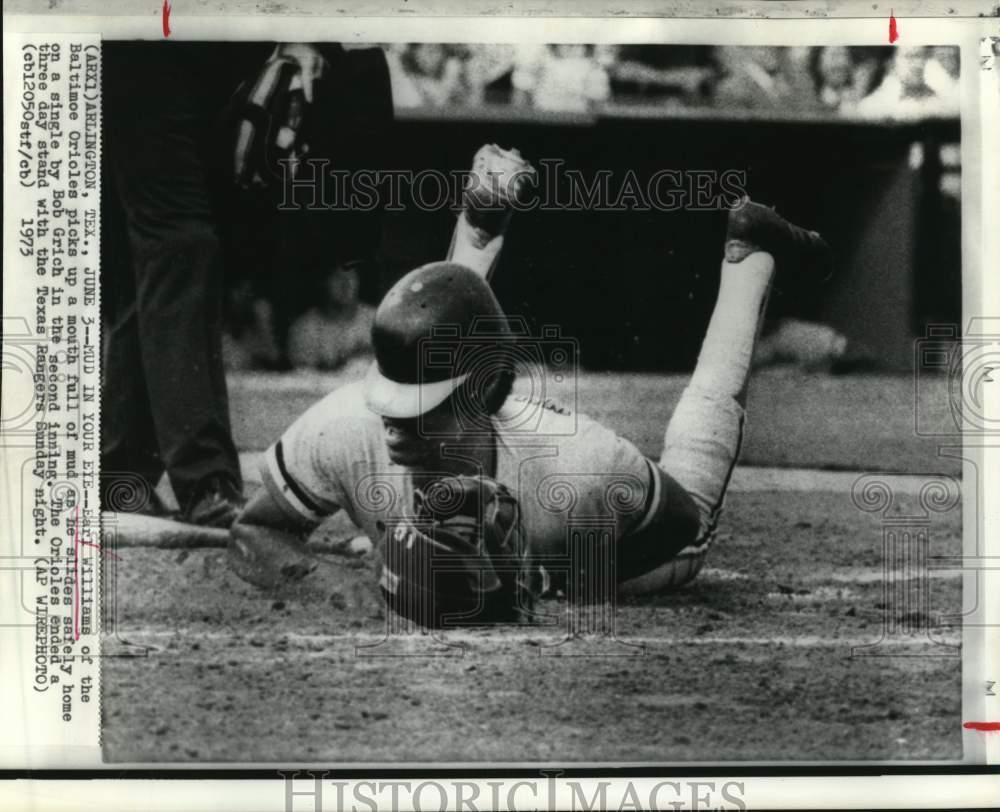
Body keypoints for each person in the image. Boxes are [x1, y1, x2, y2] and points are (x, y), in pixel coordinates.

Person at [228, 144, 830, 625]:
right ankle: (480, 223)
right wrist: (340, 584)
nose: (396, 425)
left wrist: (549, 577)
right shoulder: (345, 424)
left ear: (487, 396)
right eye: (392, 400)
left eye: (423, 410)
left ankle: (749, 261)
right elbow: (254, 532)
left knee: (696, 515)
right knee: (441, 334)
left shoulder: (579, 468)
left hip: (604, 547)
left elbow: (677, 524)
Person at [287, 262, 375, 370]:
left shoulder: (376, 321)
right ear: (323, 283)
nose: (346, 284)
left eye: (352, 278)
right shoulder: (304, 328)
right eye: (338, 278)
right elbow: (302, 379)